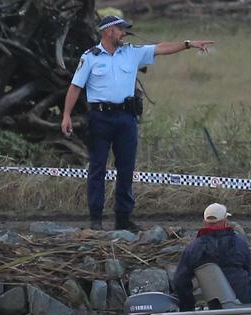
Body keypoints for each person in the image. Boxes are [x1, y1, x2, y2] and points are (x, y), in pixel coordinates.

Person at [60, 16, 214, 231]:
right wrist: (66, 115)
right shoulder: (90, 57)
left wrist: (188, 44)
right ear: (109, 31)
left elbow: (160, 48)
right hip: (100, 119)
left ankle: (123, 219)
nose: (124, 33)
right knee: (97, 169)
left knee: (126, 169)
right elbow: (76, 86)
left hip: (126, 118)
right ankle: (95, 219)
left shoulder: (132, 52)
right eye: (121, 29)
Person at [173, 203, 251, 311]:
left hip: (216, 304)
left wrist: (188, 310)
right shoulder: (239, 242)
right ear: (225, 221)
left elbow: (180, 281)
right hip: (245, 293)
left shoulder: (193, 248)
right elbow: (249, 273)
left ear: (204, 222)